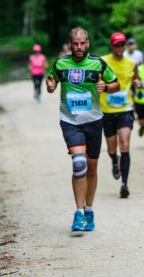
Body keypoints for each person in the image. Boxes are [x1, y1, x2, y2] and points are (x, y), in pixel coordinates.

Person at [46, 27, 120, 232]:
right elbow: (51, 80)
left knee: (92, 168)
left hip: (94, 121)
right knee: (79, 164)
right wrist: (50, 86)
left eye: (82, 43)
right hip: (70, 121)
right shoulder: (61, 63)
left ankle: (89, 210)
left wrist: (106, 87)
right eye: (75, 44)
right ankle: (78, 213)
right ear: (70, 44)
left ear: (88, 43)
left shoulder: (98, 63)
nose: (79, 47)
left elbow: (117, 85)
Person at [100, 32, 139, 199]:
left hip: (125, 109)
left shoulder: (131, 63)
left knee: (125, 145)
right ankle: (113, 161)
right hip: (106, 111)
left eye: (122, 44)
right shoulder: (102, 61)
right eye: (116, 44)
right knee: (111, 148)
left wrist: (137, 83)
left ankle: (124, 183)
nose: (120, 47)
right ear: (111, 46)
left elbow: (136, 80)